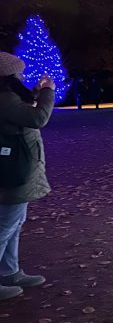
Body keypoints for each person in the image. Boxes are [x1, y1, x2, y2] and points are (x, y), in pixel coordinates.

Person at [0, 52, 55, 301]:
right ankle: (7, 273)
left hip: (15, 165)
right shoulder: (4, 99)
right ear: (8, 77)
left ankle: (10, 271)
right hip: (13, 167)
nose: (21, 75)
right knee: (6, 225)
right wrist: (47, 92)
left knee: (14, 222)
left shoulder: (8, 97)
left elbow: (22, 109)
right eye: (18, 73)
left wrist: (37, 91)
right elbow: (37, 118)